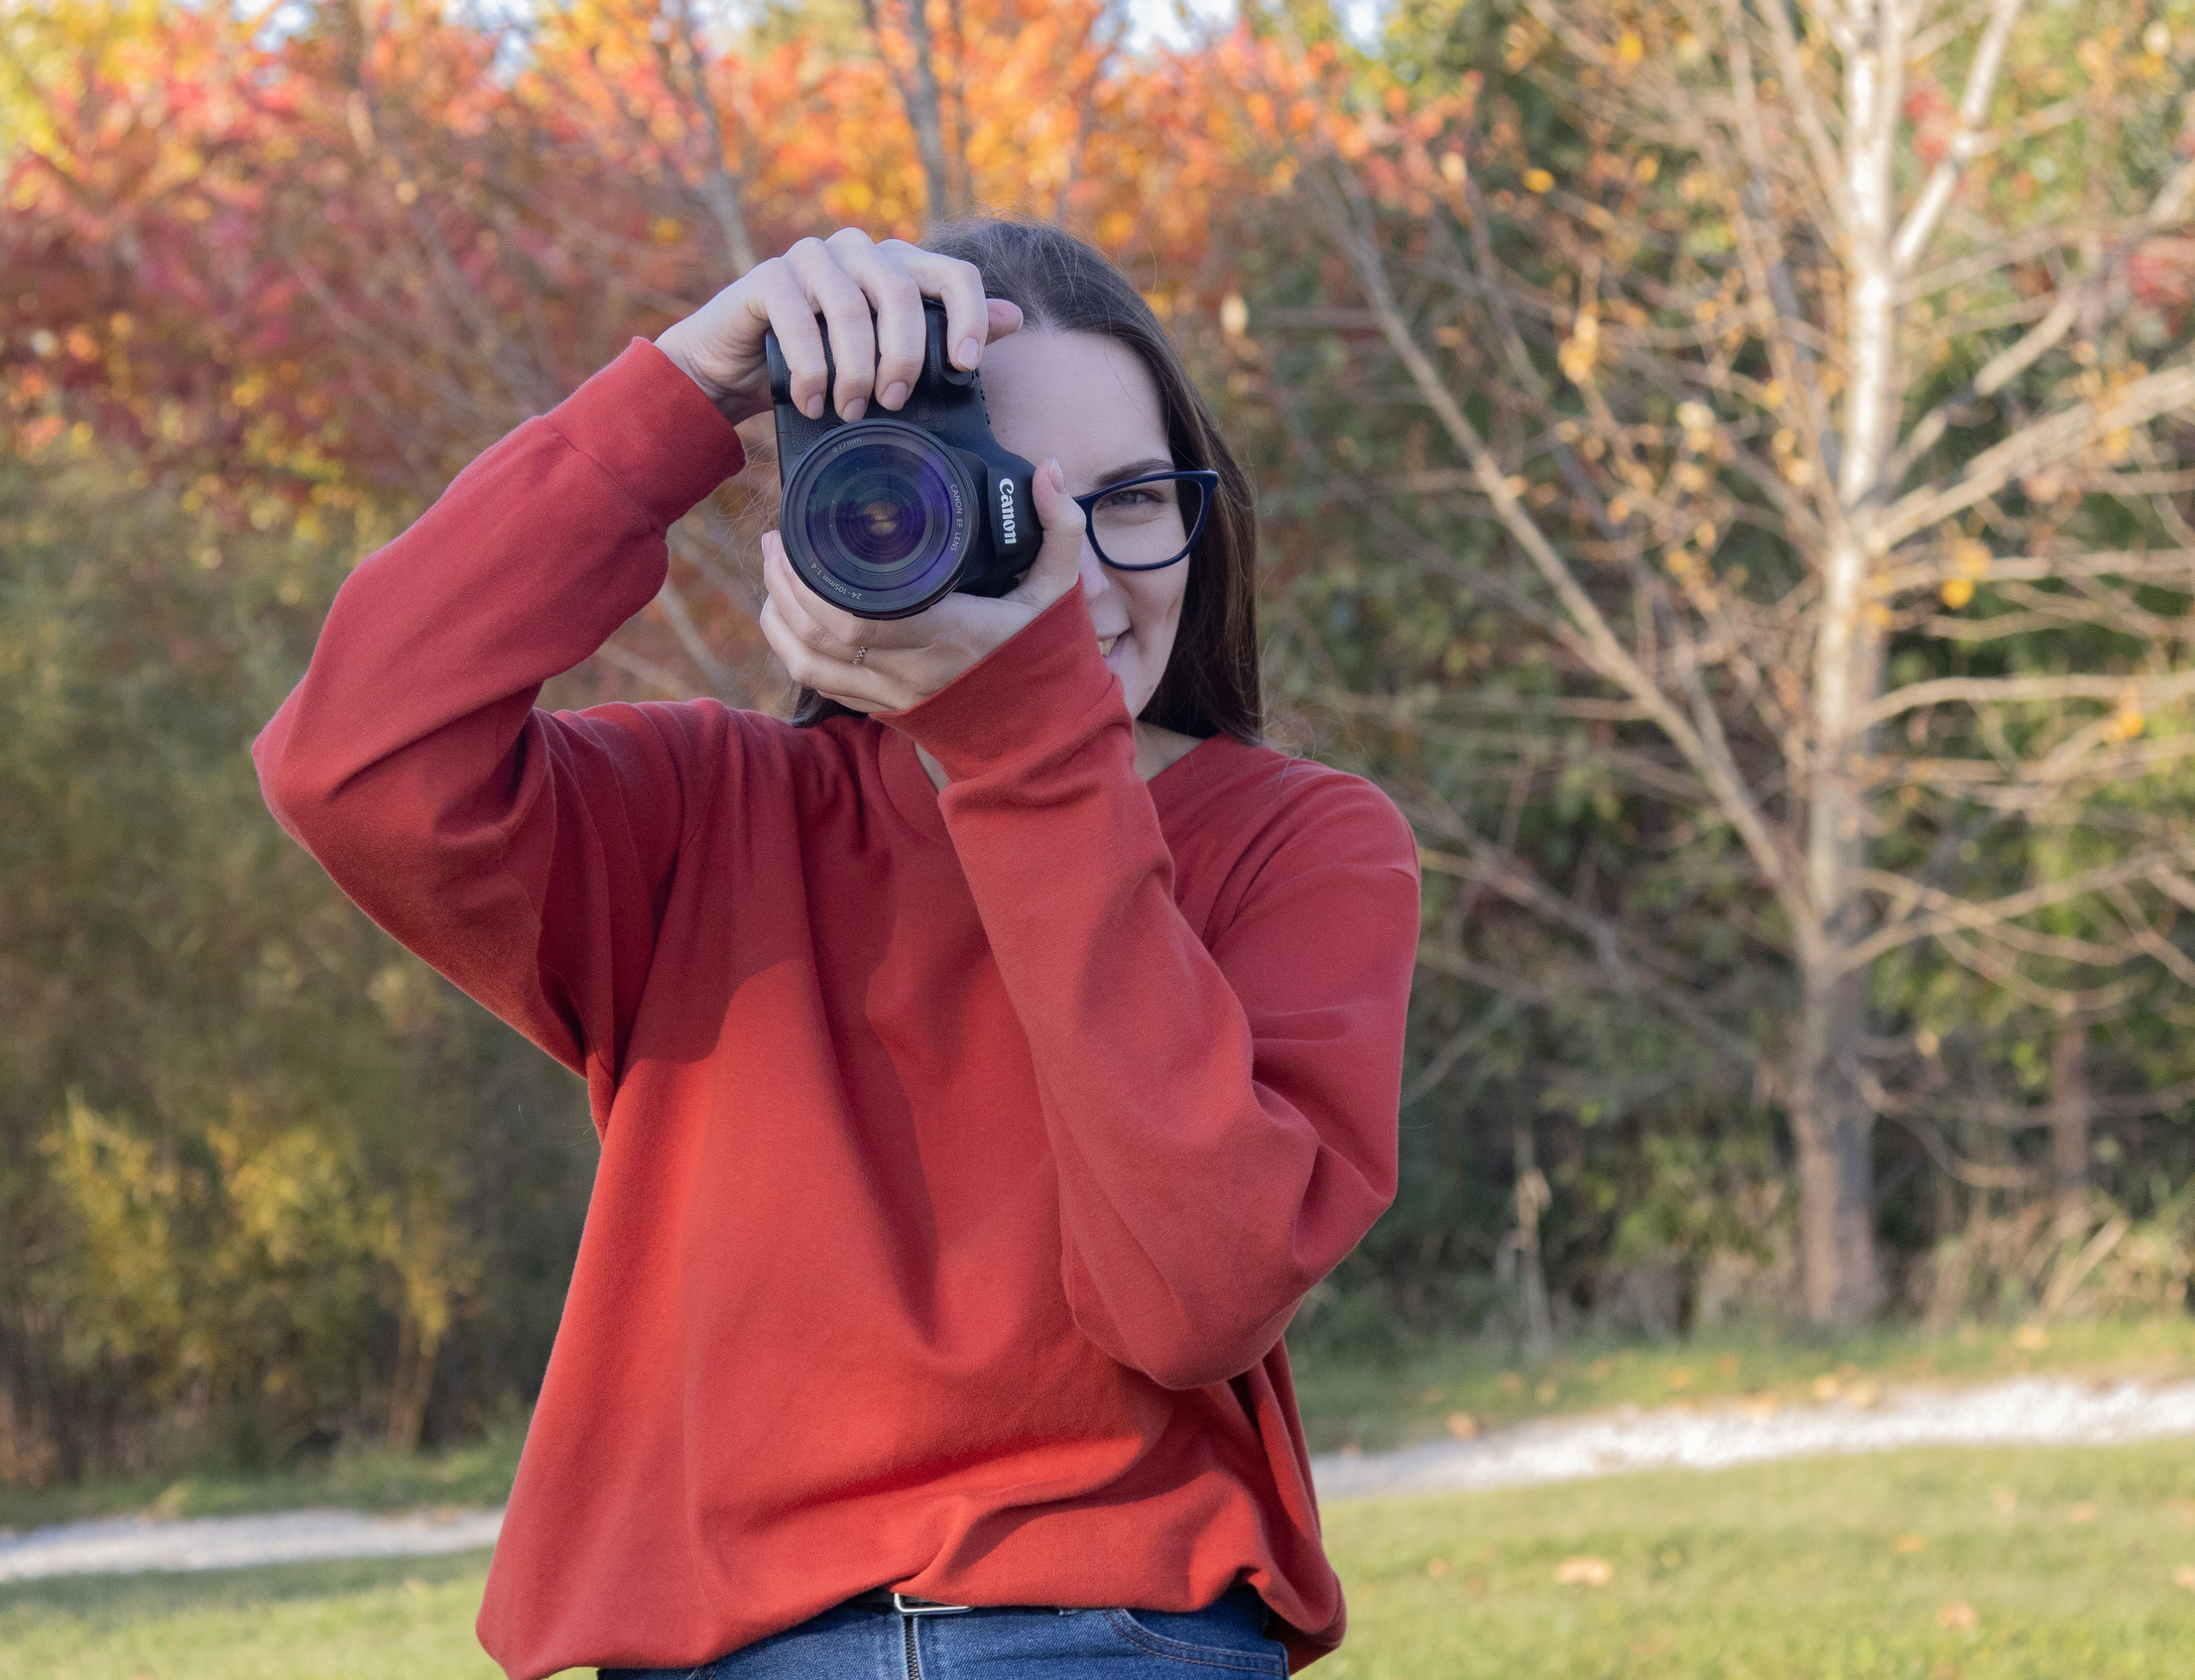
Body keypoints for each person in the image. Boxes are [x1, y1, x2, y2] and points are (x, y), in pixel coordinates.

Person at [253, 218, 1421, 1679]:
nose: (1076, 572)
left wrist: (1027, 753)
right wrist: (680, 390)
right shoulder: (706, 816)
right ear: (866, 513)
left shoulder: (1300, 838)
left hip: (1111, 1621)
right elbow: (352, 759)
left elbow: (1188, 1300)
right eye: (1008, 502)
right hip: (717, 1637)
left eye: (1128, 501)